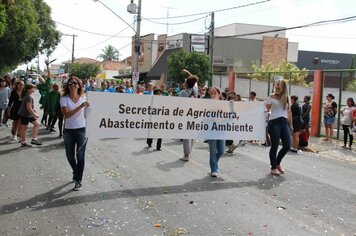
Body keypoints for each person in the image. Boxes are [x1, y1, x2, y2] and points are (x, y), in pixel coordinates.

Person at [60, 76, 90, 191]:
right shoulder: (64, 99)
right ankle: (75, 171)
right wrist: (80, 107)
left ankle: (78, 180)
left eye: (74, 84)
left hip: (82, 130)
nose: (72, 85)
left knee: (80, 155)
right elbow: (66, 115)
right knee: (70, 155)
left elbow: (90, 113)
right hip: (69, 131)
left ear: (79, 85)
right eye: (70, 84)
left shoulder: (84, 98)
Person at [265, 78, 292, 176]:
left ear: (283, 86)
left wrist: (291, 125)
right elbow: (266, 109)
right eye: (276, 84)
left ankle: (277, 163)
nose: (276, 86)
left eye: (278, 84)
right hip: (274, 122)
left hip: (284, 122)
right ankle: (273, 167)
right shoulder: (271, 96)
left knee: (287, 145)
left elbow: (289, 112)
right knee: (275, 145)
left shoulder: (287, 97)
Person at [178, 70, 199, 161]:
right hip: (194, 115)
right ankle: (189, 152)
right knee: (192, 134)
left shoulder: (183, 93)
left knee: (186, 136)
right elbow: (194, 80)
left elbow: (178, 105)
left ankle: (186, 155)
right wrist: (188, 72)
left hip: (186, 116)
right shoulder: (195, 90)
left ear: (186, 83)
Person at [207, 86, 225, 177]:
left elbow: (231, 115)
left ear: (219, 94)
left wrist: (232, 105)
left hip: (221, 131)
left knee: (221, 151)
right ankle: (214, 169)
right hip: (211, 130)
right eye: (211, 93)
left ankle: (213, 162)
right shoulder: (206, 104)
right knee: (213, 151)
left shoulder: (224, 104)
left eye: (215, 93)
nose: (213, 95)